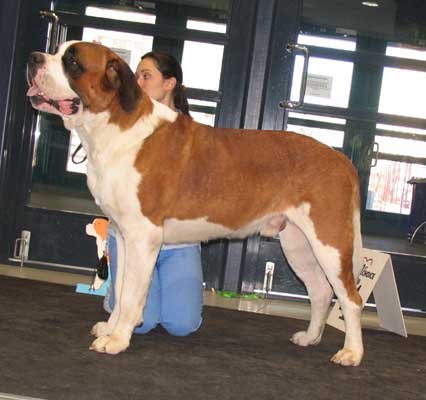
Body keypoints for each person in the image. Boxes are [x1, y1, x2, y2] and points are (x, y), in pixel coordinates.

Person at [104, 51, 203, 336]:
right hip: (131, 238)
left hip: (179, 244)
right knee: (142, 323)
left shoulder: (192, 134)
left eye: (146, 76)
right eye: (136, 75)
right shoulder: (123, 125)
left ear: (169, 84)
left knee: (182, 325)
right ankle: (115, 298)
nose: (137, 82)